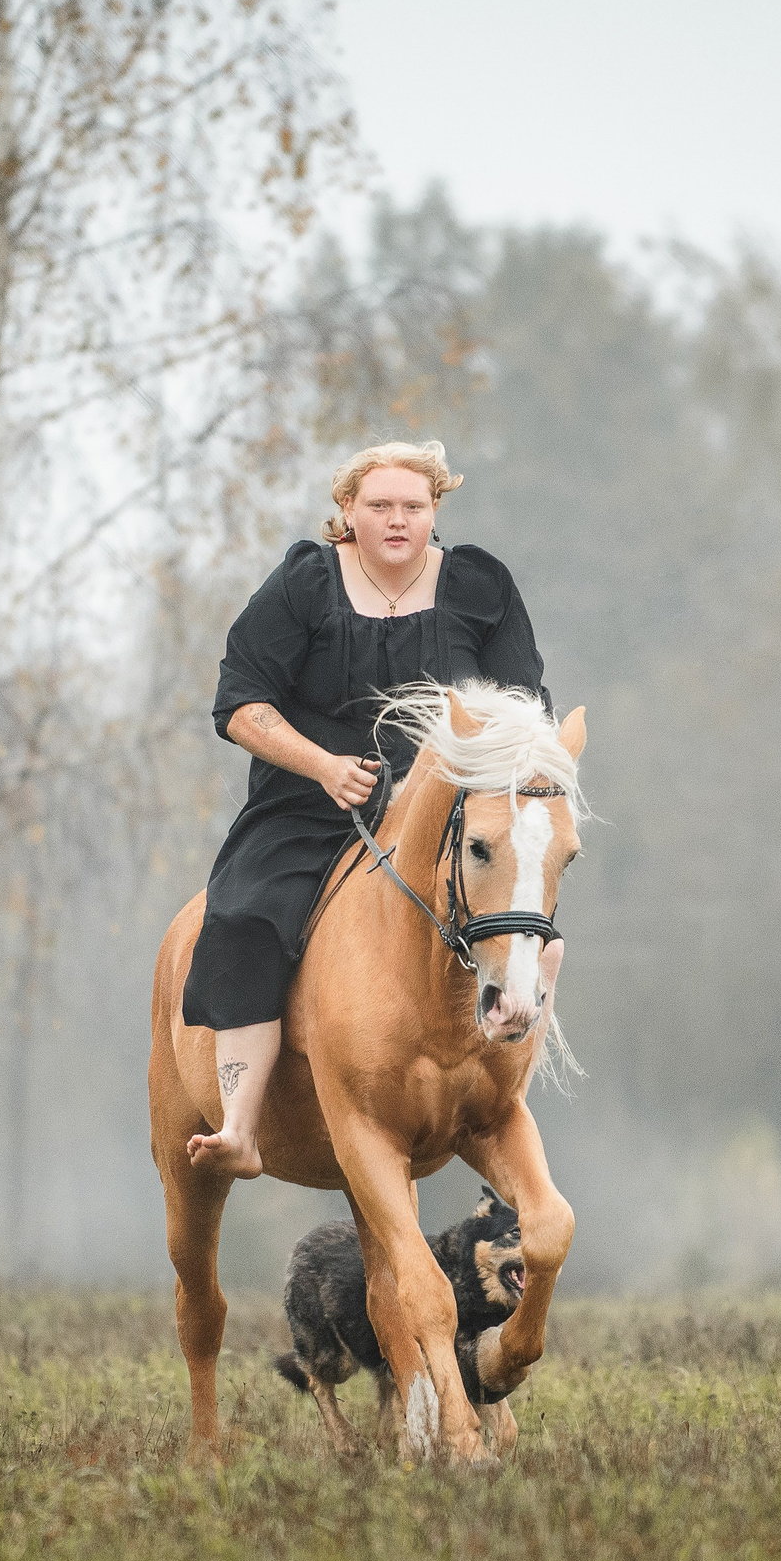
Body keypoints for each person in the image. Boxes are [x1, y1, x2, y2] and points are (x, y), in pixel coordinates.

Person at [184, 440, 557, 1177]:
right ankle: (241, 1126)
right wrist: (322, 766)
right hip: (306, 807)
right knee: (243, 916)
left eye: (413, 506)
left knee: (530, 919)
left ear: (434, 510)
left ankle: (499, 1083)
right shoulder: (304, 585)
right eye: (379, 505)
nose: (396, 520)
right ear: (347, 510)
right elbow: (241, 705)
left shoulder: (480, 586)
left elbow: (524, 713)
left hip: (446, 819)